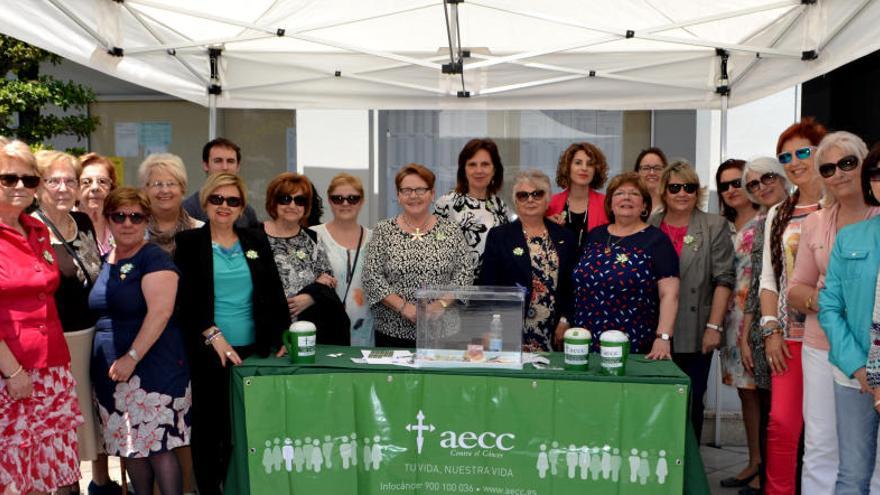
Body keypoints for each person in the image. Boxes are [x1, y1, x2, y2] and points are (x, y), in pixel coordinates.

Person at [175, 173, 289, 495]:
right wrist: (213, 336)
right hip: (210, 350)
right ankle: (210, 489)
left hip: (254, 350)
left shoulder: (255, 239)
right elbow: (186, 301)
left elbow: (273, 291)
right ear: (205, 202)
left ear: (241, 207)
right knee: (211, 430)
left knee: (249, 428)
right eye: (217, 199)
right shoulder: (189, 243)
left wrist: (281, 335)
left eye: (233, 201)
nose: (224, 206)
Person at [789, 132, 880, 494]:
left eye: (848, 163)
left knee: (869, 459)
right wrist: (831, 305)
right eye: (828, 168)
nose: (839, 174)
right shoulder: (815, 223)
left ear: (865, 164)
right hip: (823, 344)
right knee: (822, 444)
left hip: (871, 348)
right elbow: (795, 289)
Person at [88, 187, 190, 495]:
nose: (127, 223)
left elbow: (161, 312)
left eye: (136, 216)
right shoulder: (105, 259)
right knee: (129, 446)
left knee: (159, 448)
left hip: (153, 368)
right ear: (108, 220)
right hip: (112, 375)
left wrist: (132, 356)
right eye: (119, 216)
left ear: (146, 220)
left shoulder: (153, 257)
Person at [0, 140, 83, 494]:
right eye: (9, 178)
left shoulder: (36, 231)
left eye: (29, 180)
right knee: (13, 471)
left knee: (46, 471)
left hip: (51, 366)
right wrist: (13, 371)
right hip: (10, 372)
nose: (20, 186)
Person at [758, 117, 826, 495]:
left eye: (803, 152)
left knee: (824, 431)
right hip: (789, 336)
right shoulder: (778, 213)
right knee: (782, 424)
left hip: (834, 335)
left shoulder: (842, 205)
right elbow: (770, 279)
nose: (794, 162)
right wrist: (771, 329)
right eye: (785, 156)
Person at [32, 150, 104, 494]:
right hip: (55, 344)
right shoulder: (29, 227)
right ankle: (64, 487)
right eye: (53, 180)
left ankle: (86, 483)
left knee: (88, 424)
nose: (62, 188)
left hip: (92, 338)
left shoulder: (85, 222)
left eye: (69, 181)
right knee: (59, 425)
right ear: (38, 186)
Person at [649, 161, 735, 441]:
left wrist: (714, 327)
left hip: (695, 329)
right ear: (664, 191)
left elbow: (724, 279)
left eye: (689, 187)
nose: (682, 193)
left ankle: (690, 469)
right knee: (655, 401)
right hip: (652, 327)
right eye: (675, 187)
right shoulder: (650, 224)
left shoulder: (714, 225)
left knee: (691, 399)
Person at [820, 146, 880, 494]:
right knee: (853, 475)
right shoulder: (851, 238)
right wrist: (862, 369)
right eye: (875, 173)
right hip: (854, 374)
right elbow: (830, 307)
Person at [568, 172, 679, 357]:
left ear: (644, 205)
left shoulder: (657, 241)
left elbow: (670, 294)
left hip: (633, 345)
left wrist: (663, 337)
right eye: (619, 193)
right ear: (610, 203)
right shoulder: (595, 235)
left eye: (634, 194)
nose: (626, 197)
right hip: (585, 343)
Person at [362, 163, 474, 347]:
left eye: (421, 190)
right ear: (398, 196)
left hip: (443, 332)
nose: (413, 196)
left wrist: (441, 305)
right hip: (393, 331)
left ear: (432, 194)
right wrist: (404, 307)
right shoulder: (383, 230)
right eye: (406, 190)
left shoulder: (451, 230)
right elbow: (371, 276)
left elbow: (465, 273)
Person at [478, 170, 576, 352]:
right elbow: (488, 285)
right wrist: (488, 327)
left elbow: (572, 286)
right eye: (523, 195)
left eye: (537, 194)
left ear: (548, 200)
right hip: (509, 329)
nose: (530, 200)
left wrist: (565, 319)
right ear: (515, 201)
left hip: (554, 332)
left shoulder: (566, 237)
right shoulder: (500, 236)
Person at [739, 156, 791, 495]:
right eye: (753, 184)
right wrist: (745, 334)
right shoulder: (762, 220)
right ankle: (765, 477)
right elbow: (757, 281)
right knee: (768, 403)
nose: (762, 187)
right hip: (762, 326)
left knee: (786, 411)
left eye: (768, 177)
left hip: (795, 325)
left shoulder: (804, 212)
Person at [714, 158, 762, 490]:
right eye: (725, 185)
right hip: (729, 319)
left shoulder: (767, 219)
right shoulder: (722, 226)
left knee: (762, 393)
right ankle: (754, 461)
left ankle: (766, 467)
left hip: (759, 317)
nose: (731, 189)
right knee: (747, 394)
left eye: (737, 182)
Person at [263, 173, 349, 345]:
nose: (292, 205)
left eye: (300, 200)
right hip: (267, 330)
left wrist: (310, 296)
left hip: (306, 333)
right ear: (273, 201)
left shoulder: (312, 238)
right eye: (285, 199)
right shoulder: (254, 236)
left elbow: (328, 279)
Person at [311, 173, 375, 347]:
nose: (345, 203)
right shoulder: (312, 236)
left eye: (352, 198)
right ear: (330, 201)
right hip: (323, 331)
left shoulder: (375, 239)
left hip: (363, 332)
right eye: (338, 198)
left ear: (361, 201)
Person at [434, 138, 510, 271]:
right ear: (464, 170)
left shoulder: (500, 206)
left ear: (494, 169)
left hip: (493, 285)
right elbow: (436, 245)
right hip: (458, 286)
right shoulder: (447, 203)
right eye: (472, 164)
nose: (479, 170)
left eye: (485, 164)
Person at [182, 138, 259, 228]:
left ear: (238, 166)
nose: (225, 167)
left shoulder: (247, 212)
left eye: (230, 161)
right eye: (218, 161)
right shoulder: (188, 209)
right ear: (206, 165)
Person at [546, 142, 609, 248]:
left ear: (595, 170)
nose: (584, 168)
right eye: (578, 163)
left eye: (589, 164)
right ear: (567, 167)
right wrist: (545, 221)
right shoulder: (550, 203)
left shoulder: (607, 203)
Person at [139, 153, 204, 254]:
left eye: (171, 184)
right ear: (145, 189)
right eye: (157, 184)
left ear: (182, 188)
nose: (165, 190)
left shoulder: (200, 230)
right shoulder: (134, 230)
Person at [79, 152, 117, 256]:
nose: (95, 187)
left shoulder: (120, 223)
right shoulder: (67, 224)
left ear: (111, 188)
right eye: (86, 182)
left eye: (102, 181)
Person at [634, 147, 669, 214]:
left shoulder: (672, 205)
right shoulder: (629, 203)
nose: (652, 173)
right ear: (637, 172)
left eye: (657, 168)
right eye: (646, 168)